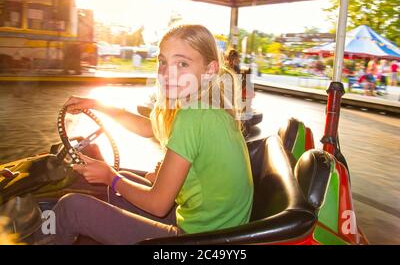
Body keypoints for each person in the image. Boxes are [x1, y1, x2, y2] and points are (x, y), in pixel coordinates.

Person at [53, 24, 254, 245]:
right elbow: (147, 128)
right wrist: (96, 104)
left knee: (72, 208)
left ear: (209, 70)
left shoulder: (193, 116)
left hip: (199, 240)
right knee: (126, 181)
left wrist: (110, 176)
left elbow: (159, 205)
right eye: (163, 61)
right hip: (212, 229)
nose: (167, 73)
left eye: (182, 63)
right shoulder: (206, 108)